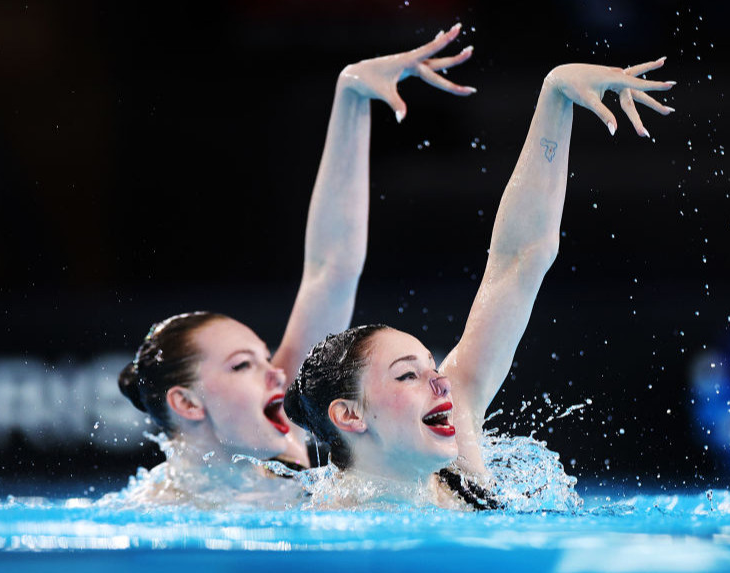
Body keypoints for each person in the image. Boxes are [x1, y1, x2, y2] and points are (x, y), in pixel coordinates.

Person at [284, 58, 675, 509]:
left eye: (431, 368)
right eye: (408, 375)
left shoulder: (461, 470)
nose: (442, 384)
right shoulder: (309, 525)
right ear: (350, 414)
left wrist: (555, 96)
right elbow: (328, 271)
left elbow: (520, 258)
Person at [114, 25, 477, 504]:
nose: (278, 374)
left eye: (265, 358)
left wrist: (351, 96)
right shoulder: (153, 516)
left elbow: (332, 269)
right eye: (242, 366)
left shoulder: (286, 464)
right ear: (186, 402)